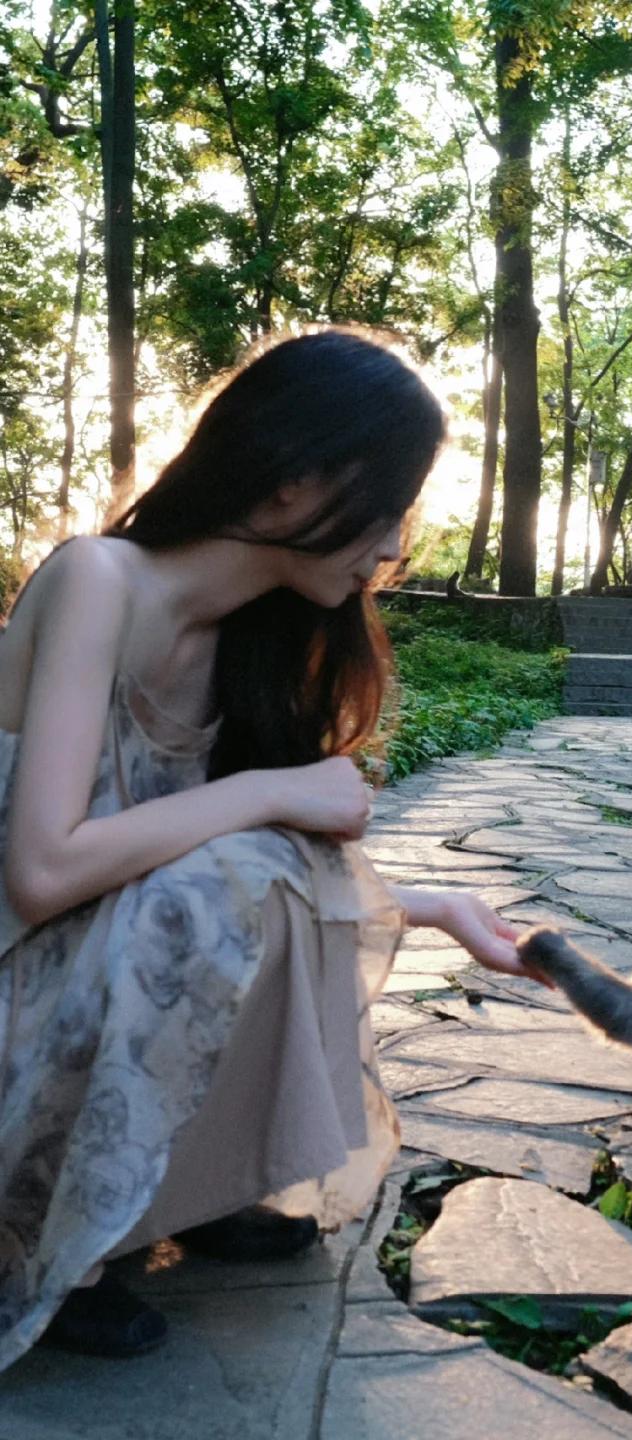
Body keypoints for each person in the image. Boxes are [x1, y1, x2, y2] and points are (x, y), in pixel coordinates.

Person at [0, 328, 536, 1369]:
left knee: (262, 885)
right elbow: (47, 869)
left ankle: (179, 1197)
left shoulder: (248, 645)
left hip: (58, 984)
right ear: (296, 482)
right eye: (388, 503)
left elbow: (201, 860)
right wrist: (271, 790)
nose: (393, 545)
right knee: (234, 873)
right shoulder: (99, 580)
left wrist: (436, 909)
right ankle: (56, 1240)